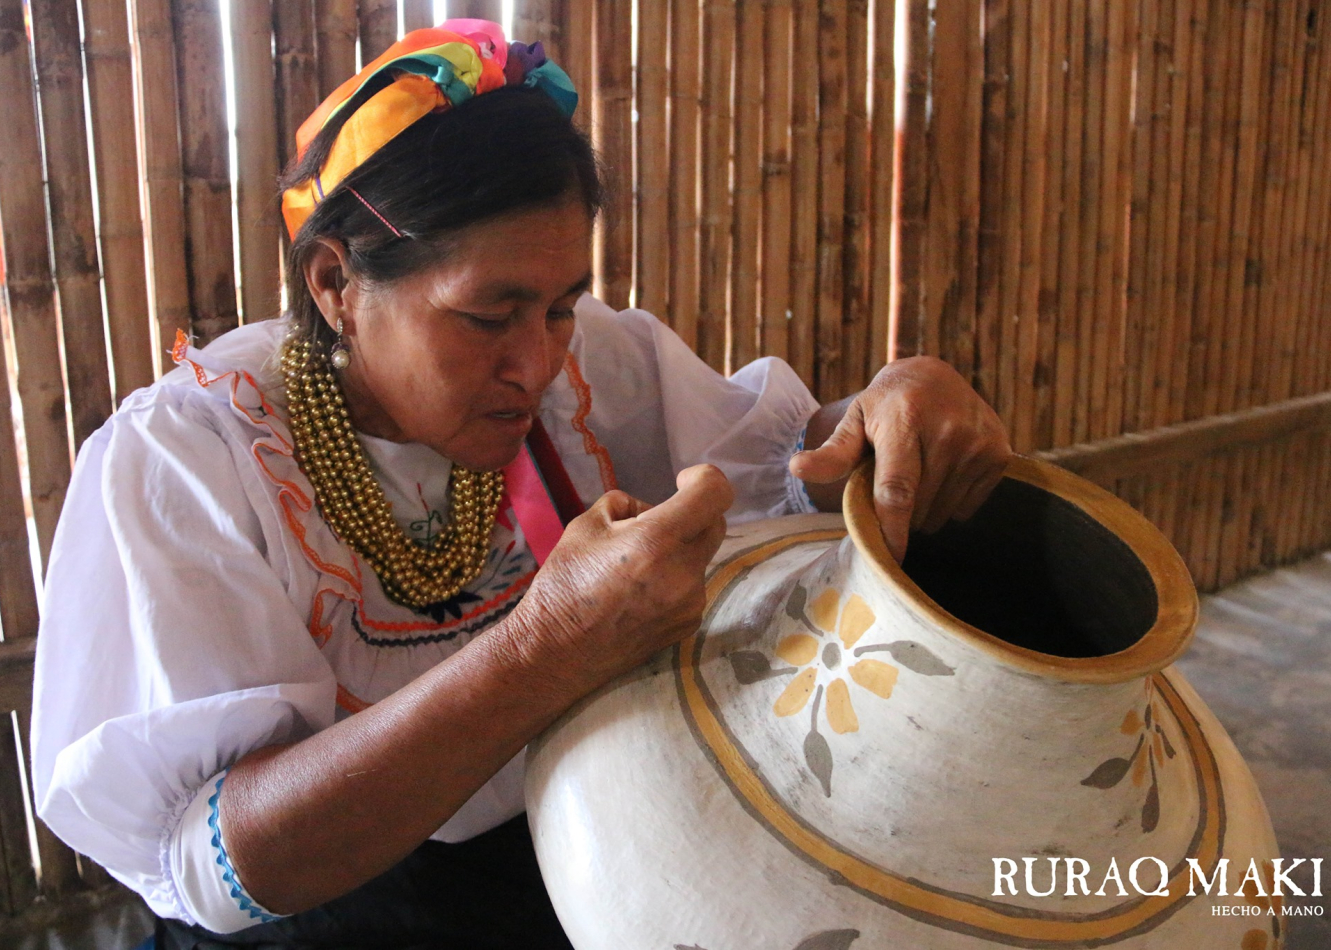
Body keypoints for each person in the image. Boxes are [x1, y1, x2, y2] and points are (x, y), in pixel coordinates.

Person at [30, 20, 1010, 950]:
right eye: (487, 316)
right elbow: (224, 858)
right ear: (334, 283)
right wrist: (546, 647)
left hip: (565, 861)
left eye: (558, 306)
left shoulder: (600, 370)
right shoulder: (191, 461)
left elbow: (787, 468)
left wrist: (887, 404)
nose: (536, 363)